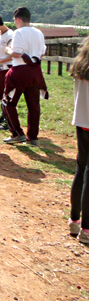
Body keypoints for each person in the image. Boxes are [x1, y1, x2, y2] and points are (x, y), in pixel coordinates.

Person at [1, 7, 48, 146]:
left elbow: (16, 53)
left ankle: (17, 133)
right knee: (33, 106)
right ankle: (32, 136)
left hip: (20, 71)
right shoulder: (39, 32)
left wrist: (7, 49)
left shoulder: (18, 32)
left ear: (18, 19)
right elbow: (42, 53)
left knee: (8, 102)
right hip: (35, 71)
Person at [69, 37, 89, 244]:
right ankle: (86, 229)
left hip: (82, 121)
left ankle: (74, 220)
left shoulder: (80, 66)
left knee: (80, 170)